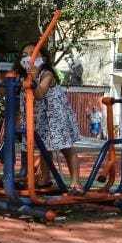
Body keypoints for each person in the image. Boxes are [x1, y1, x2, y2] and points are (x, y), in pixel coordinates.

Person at [21, 43, 82, 193]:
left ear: (43, 58)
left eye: (33, 54)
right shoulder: (23, 76)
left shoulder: (47, 74)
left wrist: (34, 78)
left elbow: (40, 94)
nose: (29, 58)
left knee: (67, 149)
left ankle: (76, 183)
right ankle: (45, 179)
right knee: (44, 149)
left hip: (56, 118)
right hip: (40, 118)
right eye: (24, 55)